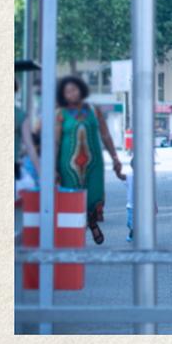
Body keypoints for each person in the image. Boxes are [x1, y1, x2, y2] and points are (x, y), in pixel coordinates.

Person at [55, 76, 123, 245]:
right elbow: (56, 142)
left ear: (81, 90)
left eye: (74, 89)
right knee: (72, 197)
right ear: (63, 95)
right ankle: (75, 233)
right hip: (67, 165)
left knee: (94, 195)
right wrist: (52, 167)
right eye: (67, 91)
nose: (72, 94)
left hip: (94, 163)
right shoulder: (60, 114)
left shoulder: (94, 110)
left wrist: (115, 157)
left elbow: (105, 135)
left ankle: (92, 222)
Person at [15, 80, 40, 195]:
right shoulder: (20, 115)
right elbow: (30, 147)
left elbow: (30, 147)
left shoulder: (20, 115)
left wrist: (40, 171)